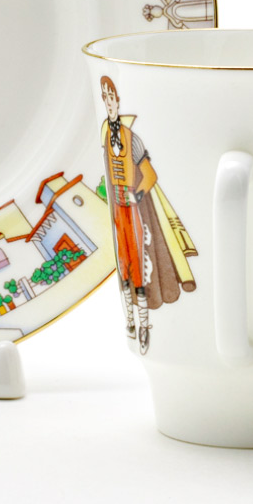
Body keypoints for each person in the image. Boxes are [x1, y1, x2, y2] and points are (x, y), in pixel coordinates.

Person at [100, 76, 197, 354]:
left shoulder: (132, 138)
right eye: (105, 98)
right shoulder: (105, 136)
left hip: (134, 209)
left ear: (118, 101)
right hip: (116, 211)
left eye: (111, 98)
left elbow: (150, 174)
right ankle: (129, 322)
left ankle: (144, 325)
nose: (109, 103)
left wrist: (138, 195)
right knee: (123, 266)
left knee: (139, 263)